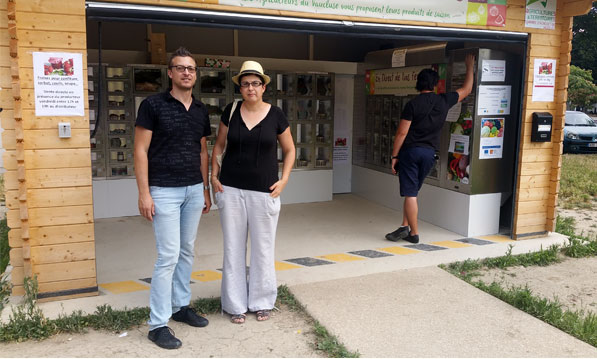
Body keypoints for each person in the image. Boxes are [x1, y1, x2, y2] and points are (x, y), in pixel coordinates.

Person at [134, 47, 211, 349]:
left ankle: (181, 306)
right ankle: (157, 325)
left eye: (191, 68)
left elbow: (202, 151)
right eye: (180, 68)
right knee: (168, 255)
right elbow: (140, 150)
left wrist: (204, 189)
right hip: (163, 190)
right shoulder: (152, 105)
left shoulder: (202, 110)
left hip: (193, 189)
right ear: (170, 73)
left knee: (187, 250)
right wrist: (144, 193)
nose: (187, 72)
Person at [211, 61, 296, 324]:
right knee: (233, 248)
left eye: (255, 83)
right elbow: (218, 146)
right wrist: (213, 176)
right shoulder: (231, 111)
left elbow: (290, 149)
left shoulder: (276, 115)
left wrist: (284, 180)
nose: (250, 88)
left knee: (262, 248)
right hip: (231, 189)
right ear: (240, 87)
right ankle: (235, 304)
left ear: (264, 86)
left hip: (264, 192)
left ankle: (261, 301)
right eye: (245, 83)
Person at [386, 53, 475, 244]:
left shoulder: (412, 105)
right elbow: (467, 89)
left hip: (410, 153)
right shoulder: (444, 100)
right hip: (429, 154)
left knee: (410, 193)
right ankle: (404, 226)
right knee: (413, 192)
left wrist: (394, 156)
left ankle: (414, 234)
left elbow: (401, 133)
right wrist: (469, 67)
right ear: (435, 84)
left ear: (418, 84)